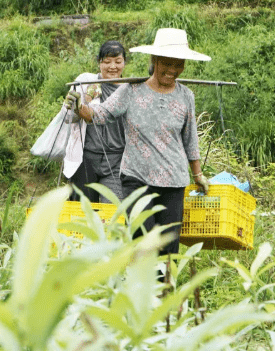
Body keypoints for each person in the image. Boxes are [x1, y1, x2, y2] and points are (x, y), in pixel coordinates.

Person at [65, 28, 210, 255]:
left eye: (178, 64)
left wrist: (198, 175)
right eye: (166, 63)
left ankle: (164, 290)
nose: (172, 70)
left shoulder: (186, 96)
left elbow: (190, 139)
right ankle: (138, 287)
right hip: (137, 177)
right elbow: (100, 115)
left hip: (174, 181)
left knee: (168, 248)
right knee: (142, 243)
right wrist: (78, 106)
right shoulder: (131, 90)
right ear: (154, 60)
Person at [63, 40, 127, 203]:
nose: (113, 66)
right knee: (82, 210)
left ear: (124, 63)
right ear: (99, 63)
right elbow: (68, 118)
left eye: (118, 62)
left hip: (117, 160)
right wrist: (74, 106)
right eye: (107, 62)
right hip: (86, 157)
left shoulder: (129, 89)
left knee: (113, 211)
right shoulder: (86, 83)